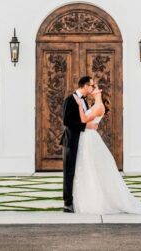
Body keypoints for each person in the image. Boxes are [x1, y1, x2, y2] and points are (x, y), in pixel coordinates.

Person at [72, 82, 141, 215]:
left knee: (93, 166)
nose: (92, 88)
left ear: (99, 91)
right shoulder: (95, 105)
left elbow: (84, 119)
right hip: (87, 137)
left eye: (94, 87)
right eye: (91, 87)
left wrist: (79, 106)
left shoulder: (99, 107)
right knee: (89, 167)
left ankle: (97, 202)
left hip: (90, 138)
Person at [61, 76, 94, 213]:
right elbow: (66, 121)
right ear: (85, 86)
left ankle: (82, 200)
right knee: (69, 172)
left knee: (82, 170)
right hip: (71, 141)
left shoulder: (85, 101)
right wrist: (84, 126)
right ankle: (67, 203)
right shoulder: (70, 99)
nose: (92, 88)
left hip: (83, 142)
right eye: (91, 85)